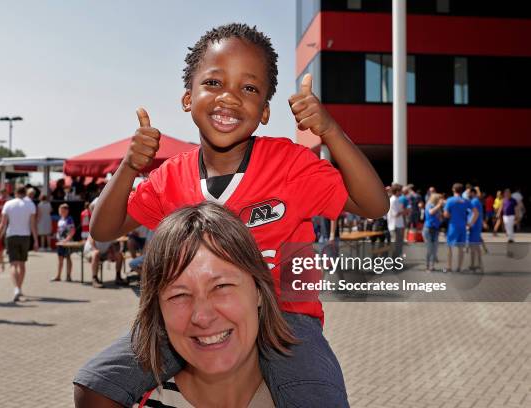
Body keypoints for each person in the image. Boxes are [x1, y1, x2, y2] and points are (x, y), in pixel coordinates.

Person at [80, 23, 388, 408]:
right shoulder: (169, 176)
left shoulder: (290, 163)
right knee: (94, 387)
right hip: (196, 313)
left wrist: (330, 130)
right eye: (213, 82)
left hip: (287, 318)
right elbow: (103, 229)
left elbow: (375, 206)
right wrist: (129, 165)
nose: (229, 98)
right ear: (187, 98)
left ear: (264, 112)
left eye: (249, 88)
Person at [75, 203, 297, 407]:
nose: (202, 316)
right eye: (179, 295)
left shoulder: (311, 395)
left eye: (221, 287)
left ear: (259, 290)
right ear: (158, 311)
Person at [0, 186, 39, 302]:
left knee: (13, 264)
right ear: (25, 193)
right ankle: (19, 287)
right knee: (22, 265)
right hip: (25, 236)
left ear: (15, 192)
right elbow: (33, 224)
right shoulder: (30, 204)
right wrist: (36, 240)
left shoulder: (8, 204)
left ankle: (16, 288)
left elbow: (3, 223)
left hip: (11, 235)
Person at [444, 183, 476, 272]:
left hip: (453, 226)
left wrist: (451, 216)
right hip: (462, 226)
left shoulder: (450, 200)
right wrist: (470, 223)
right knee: (461, 248)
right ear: (462, 191)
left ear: (453, 190)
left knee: (450, 247)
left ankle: (449, 267)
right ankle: (459, 267)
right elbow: (476, 213)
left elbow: (445, 214)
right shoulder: (466, 201)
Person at [52, 204, 76, 282]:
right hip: (60, 243)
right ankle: (58, 276)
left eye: (62, 210)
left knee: (68, 258)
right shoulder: (60, 219)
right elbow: (59, 230)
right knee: (60, 259)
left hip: (66, 243)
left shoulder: (69, 219)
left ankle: (68, 276)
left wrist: (66, 240)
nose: (60, 212)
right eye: (60, 210)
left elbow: (72, 231)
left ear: (66, 211)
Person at [422, 193, 443, 272]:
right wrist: (439, 205)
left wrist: (440, 216)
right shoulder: (429, 205)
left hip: (435, 229)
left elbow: (439, 218)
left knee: (435, 249)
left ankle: (432, 266)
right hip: (429, 229)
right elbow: (431, 212)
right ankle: (427, 266)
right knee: (430, 248)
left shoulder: (437, 207)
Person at [466, 188, 483, 272]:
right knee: (476, 246)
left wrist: (470, 224)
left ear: (473, 193)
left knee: (473, 246)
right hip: (475, 226)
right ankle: (477, 264)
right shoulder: (475, 201)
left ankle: (473, 265)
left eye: (468, 192)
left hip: (474, 226)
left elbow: (476, 214)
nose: (467, 194)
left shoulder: (474, 201)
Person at [387, 183, 406, 258]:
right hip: (395, 226)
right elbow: (395, 214)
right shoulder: (393, 200)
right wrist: (405, 211)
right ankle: (394, 263)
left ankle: (396, 262)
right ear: (397, 191)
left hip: (398, 225)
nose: (402, 192)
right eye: (400, 190)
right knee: (396, 246)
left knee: (398, 245)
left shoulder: (396, 200)